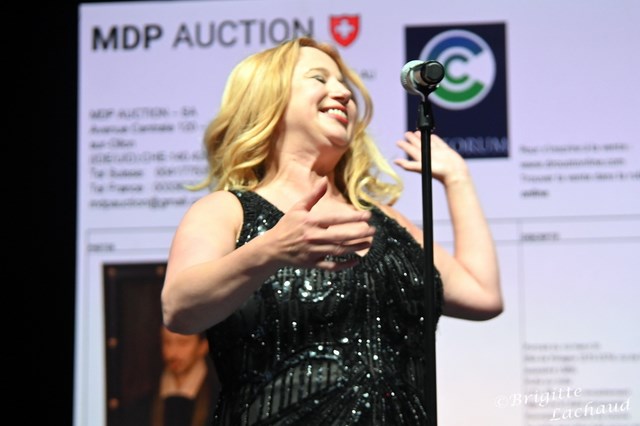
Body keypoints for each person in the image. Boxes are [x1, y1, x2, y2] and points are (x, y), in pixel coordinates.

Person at [161, 36, 503, 425]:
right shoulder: (227, 210)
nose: (342, 92)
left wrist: (458, 180)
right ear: (268, 99)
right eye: (319, 78)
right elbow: (179, 309)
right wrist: (269, 250)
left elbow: (483, 295)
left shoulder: (387, 222)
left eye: (343, 83)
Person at [122, 326, 219, 426]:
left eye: (183, 343)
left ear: (203, 346)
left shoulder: (220, 400)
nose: (173, 353)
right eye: (167, 342)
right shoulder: (143, 403)